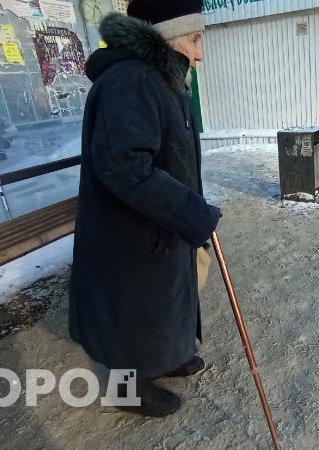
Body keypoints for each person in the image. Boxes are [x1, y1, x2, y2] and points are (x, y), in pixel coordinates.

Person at [69, 0, 222, 417]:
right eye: (195, 39)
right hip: (131, 232)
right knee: (134, 307)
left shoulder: (161, 77)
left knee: (167, 296)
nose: (200, 53)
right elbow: (125, 166)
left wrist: (188, 208)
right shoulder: (133, 80)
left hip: (160, 223)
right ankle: (126, 387)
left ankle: (167, 355)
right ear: (167, 36)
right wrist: (190, 212)